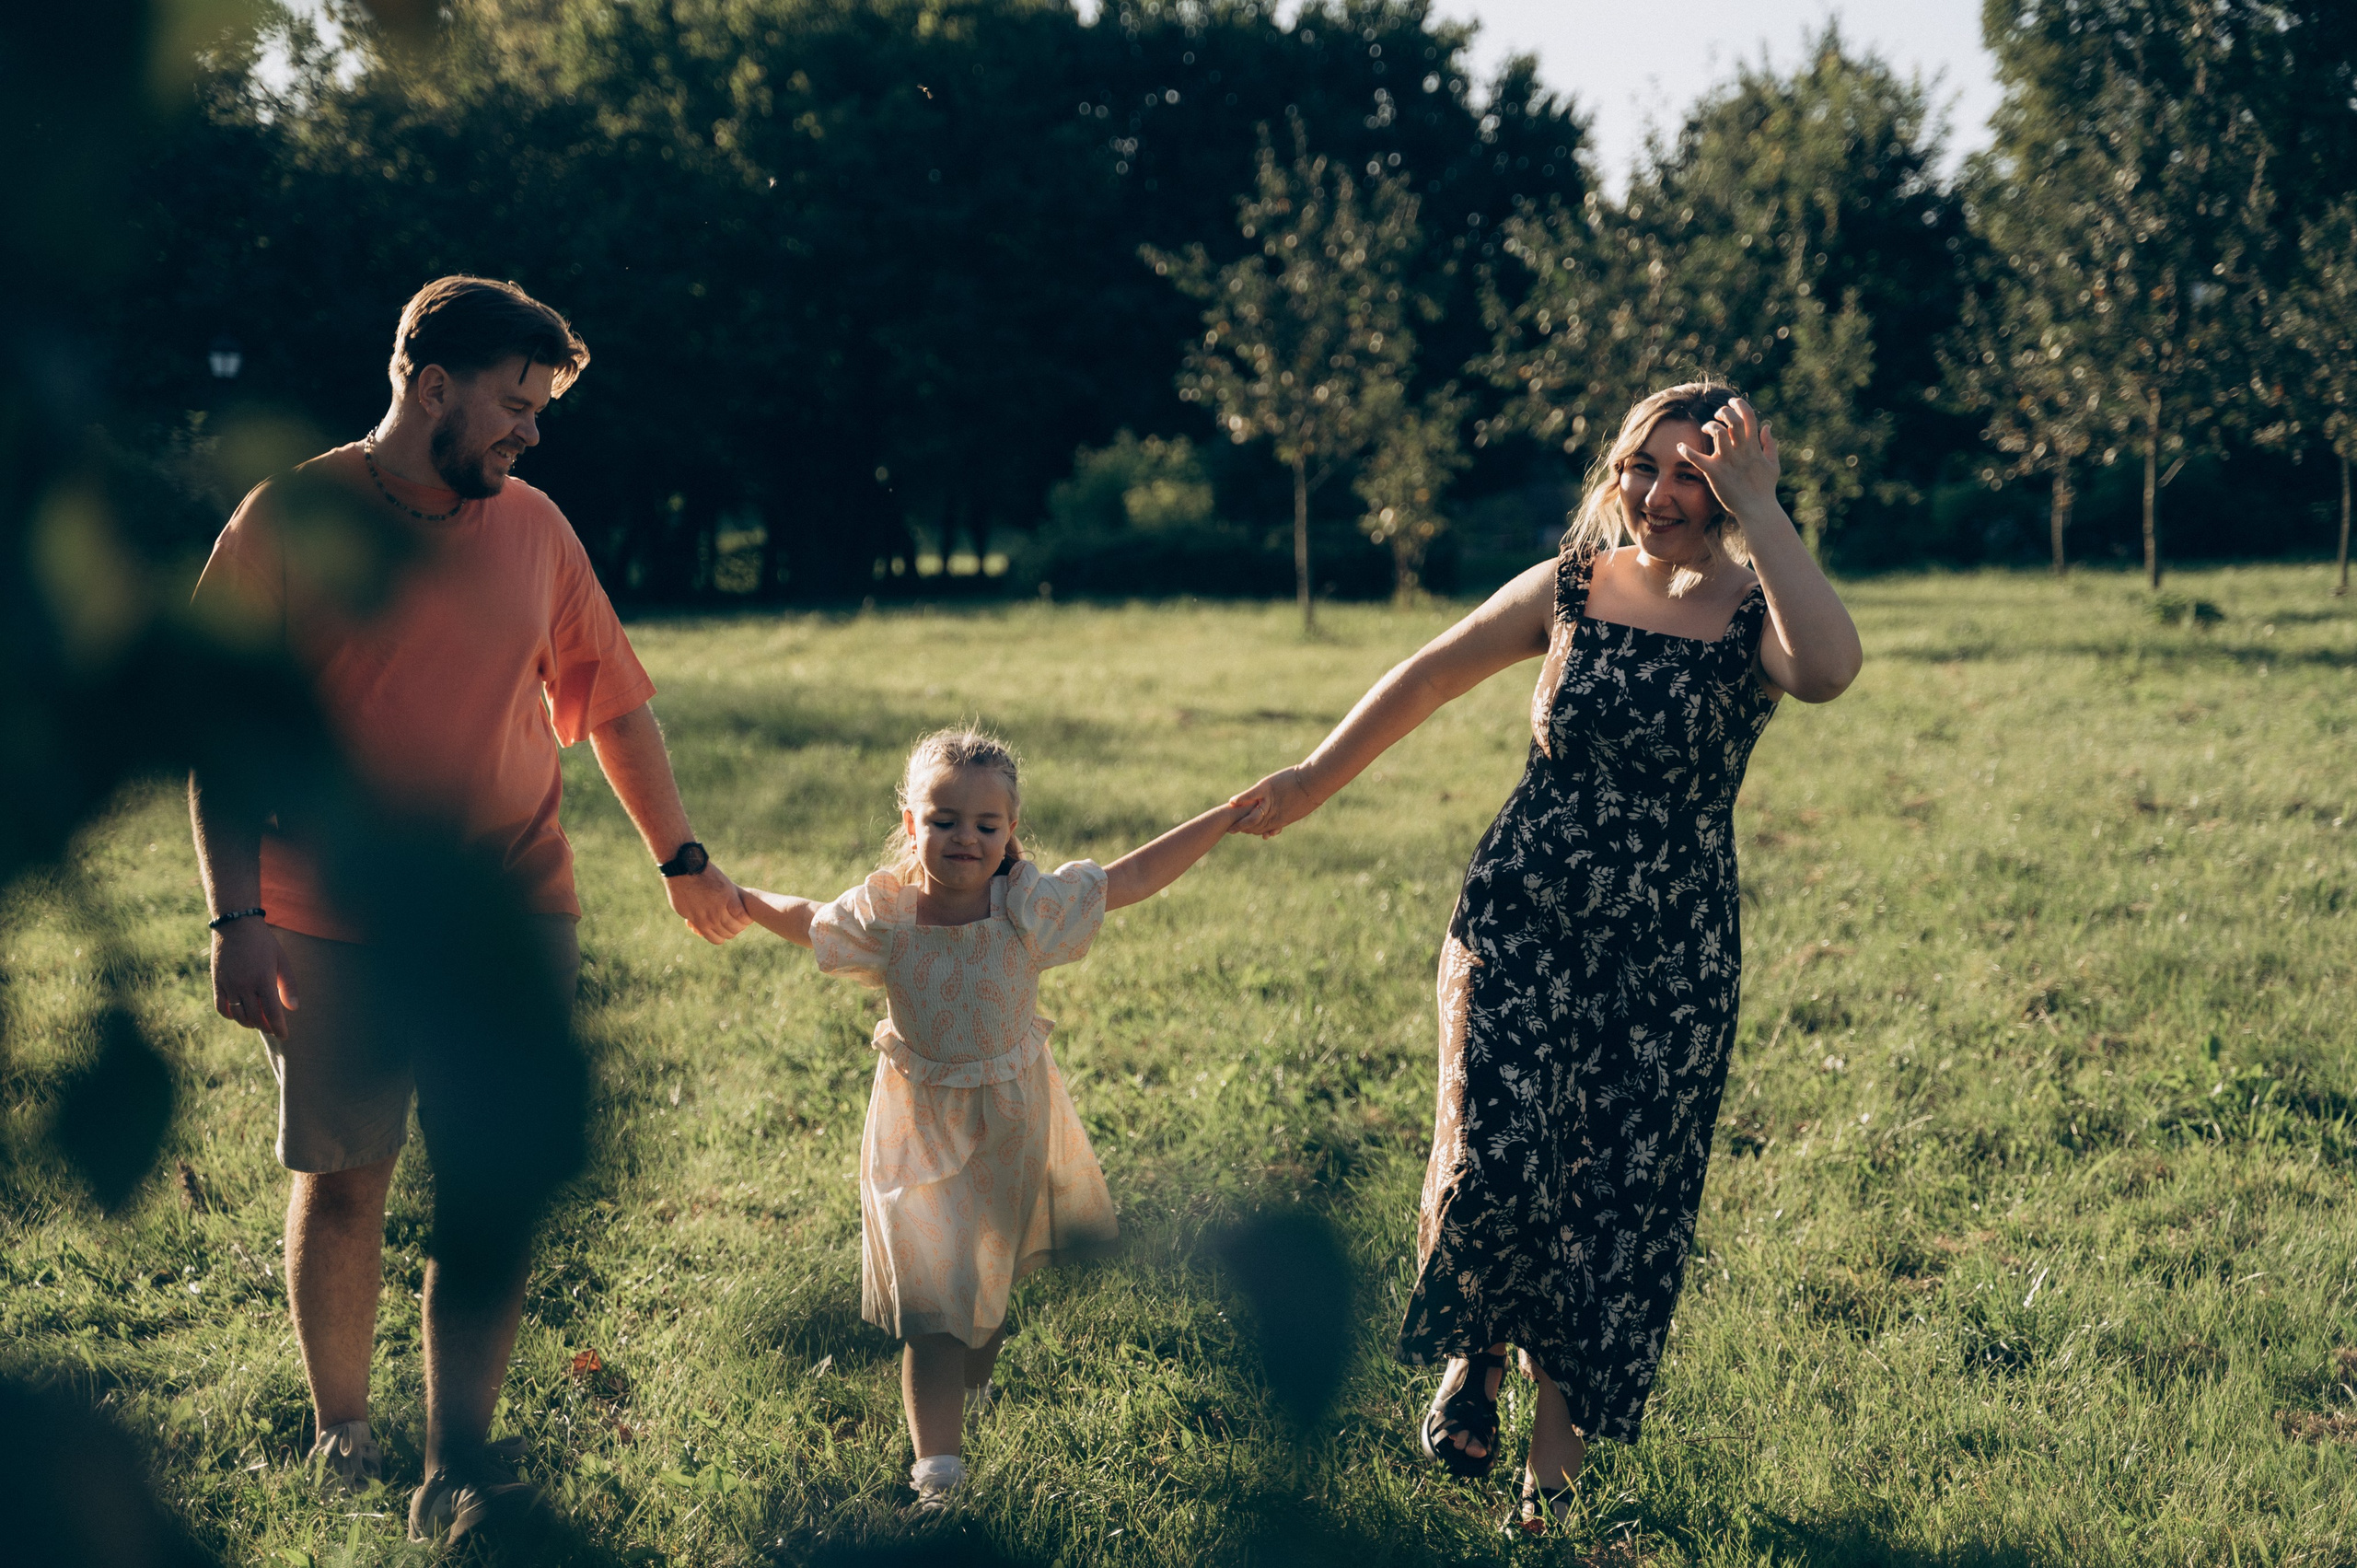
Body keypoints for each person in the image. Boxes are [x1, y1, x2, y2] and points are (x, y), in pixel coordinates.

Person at [1231, 384, 1862, 1532]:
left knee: (1616, 1193)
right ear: (1611, 470)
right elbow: (1429, 670)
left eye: (1692, 475)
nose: (1661, 495)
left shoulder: (1750, 608)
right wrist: (1312, 778)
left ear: (1728, 489)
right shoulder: (1574, 583)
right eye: (1642, 466)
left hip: (1670, 942)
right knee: (1502, 1148)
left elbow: (1826, 669)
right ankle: (1472, 1354)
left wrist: (1762, 513)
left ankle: (1550, 1475)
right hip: (1523, 907)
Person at [188, 275, 753, 1545]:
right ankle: (344, 1434)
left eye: (542, 407)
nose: (532, 432)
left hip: (508, 907)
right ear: (429, 385)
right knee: (347, 1177)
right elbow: (218, 736)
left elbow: (611, 700)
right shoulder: (291, 520)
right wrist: (235, 917)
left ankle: (458, 1457)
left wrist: (684, 858)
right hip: (325, 916)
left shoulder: (537, 527)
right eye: (515, 402)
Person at [737, 727, 1245, 1511]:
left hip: (1010, 1126)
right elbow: (807, 916)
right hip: (918, 1129)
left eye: (985, 823)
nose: (963, 838)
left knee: (982, 1303)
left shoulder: (1026, 908)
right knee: (934, 1314)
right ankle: (937, 1478)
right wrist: (731, 895)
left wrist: (1226, 814)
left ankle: (970, 1370)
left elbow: (1130, 875)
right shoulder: (889, 913)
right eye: (943, 820)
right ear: (911, 823)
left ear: (1011, 831)